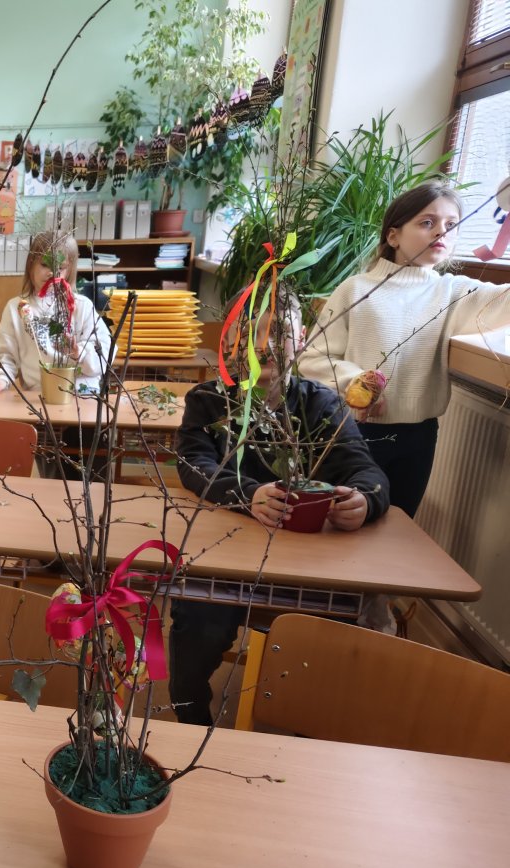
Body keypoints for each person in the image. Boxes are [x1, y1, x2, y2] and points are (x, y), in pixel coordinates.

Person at [170, 303, 391, 726]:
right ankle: (190, 714)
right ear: (229, 339)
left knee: (321, 644)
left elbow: (366, 470)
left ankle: (303, 725)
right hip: (224, 561)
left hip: (305, 571)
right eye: (250, 331)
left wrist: (364, 500)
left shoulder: (322, 404)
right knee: (198, 618)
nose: (262, 345)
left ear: (301, 338)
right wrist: (246, 494)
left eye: (277, 332)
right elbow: (193, 464)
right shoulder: (209, 400)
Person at [300, 181, 510, 517]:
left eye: (451, 224)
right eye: (427, 222)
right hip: (355, 432)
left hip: (419, 436)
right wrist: (355, 381)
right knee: (345, 521)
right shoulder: (356, 289)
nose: (441, 231)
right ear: (393, 236)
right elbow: (313, 358)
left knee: (398, 523)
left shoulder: (453, 292)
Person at [0, 231, 114, 394]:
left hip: (81, 395)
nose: (52, 273)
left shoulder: (82, 306)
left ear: (69, 270)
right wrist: (0, 379)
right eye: (44, 265)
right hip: (38, 396)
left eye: (60, 268)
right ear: (31, 264)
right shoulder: (16, 307)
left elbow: (105, 352)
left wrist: (79, 353)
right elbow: (6, 356)